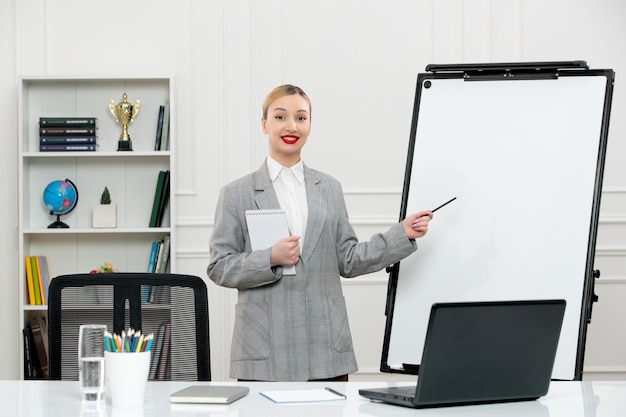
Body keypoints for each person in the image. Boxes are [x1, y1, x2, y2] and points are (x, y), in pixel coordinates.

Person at [207, 84, 433, 381]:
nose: (292, 126)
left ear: (310, 125)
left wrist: (402, 234)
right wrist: (269, 258)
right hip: (264, 350)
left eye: (301, 118)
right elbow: (218, 265)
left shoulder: (329, 189)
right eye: (280, 117)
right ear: (264, 124)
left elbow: (349, 260)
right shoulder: (236, 193)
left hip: (325, 347)